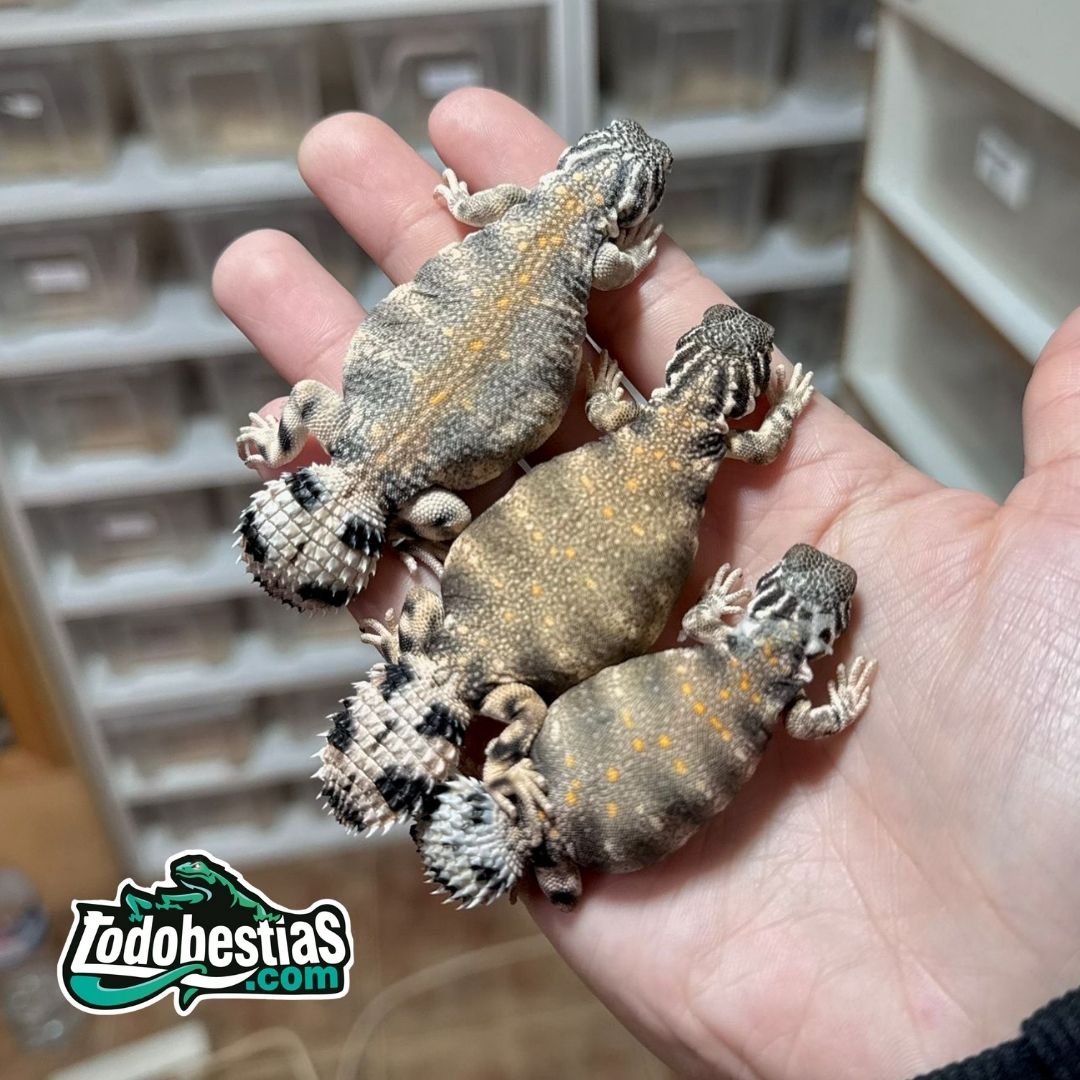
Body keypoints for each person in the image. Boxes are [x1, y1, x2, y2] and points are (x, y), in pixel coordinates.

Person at [212, 90, 1080, 1079]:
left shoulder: (607, 416)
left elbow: (583, 407)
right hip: (520, 605)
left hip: (515, 589)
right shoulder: (545, 634)